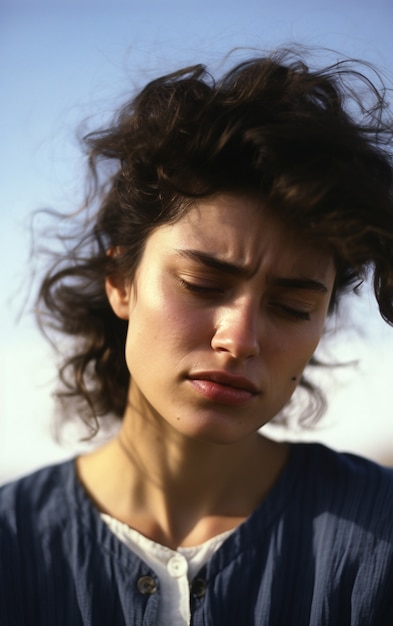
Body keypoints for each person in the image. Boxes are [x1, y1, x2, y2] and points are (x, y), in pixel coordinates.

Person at [1, 47, 393, 626]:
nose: (240, 338)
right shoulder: (12, 548)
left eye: (290, 307)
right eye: (202, 284)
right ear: (120, 282)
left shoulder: (378, 542)